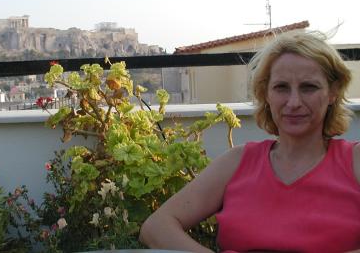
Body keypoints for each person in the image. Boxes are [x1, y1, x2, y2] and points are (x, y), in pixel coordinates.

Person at [139, 30, 360, 253]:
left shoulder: (354, 162)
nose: (294, 102)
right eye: (281, 87)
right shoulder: (237, 162)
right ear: (266, 94)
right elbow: (156, 227)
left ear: (333, 92)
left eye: (309, 87)